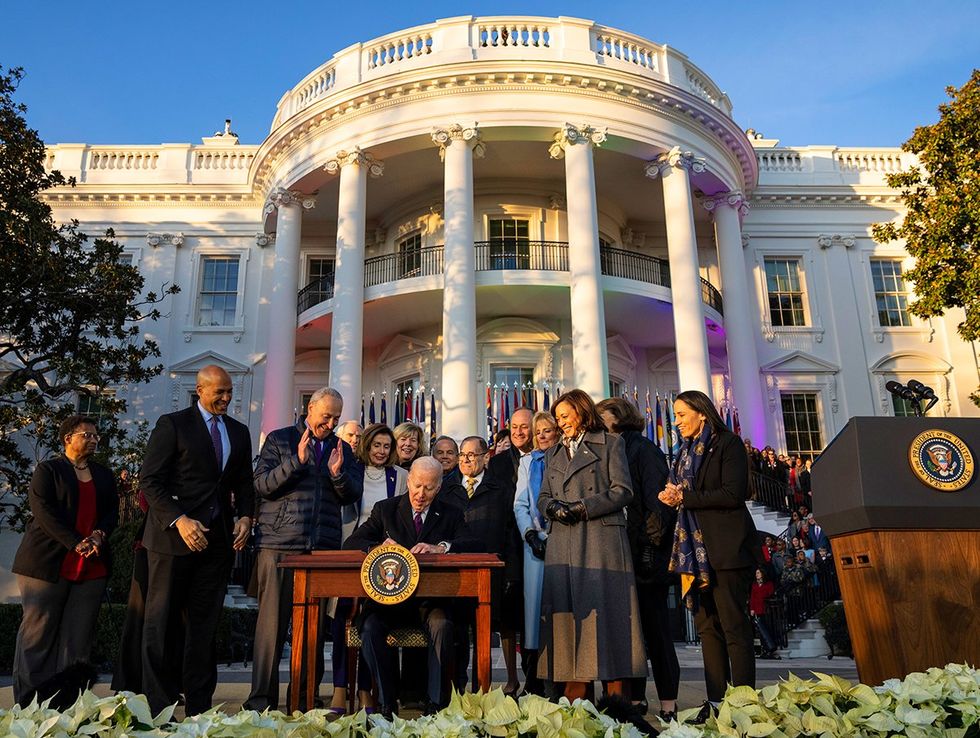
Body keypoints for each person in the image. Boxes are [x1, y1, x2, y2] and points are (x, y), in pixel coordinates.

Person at [139, 365, 254, 715]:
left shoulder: (239, 431)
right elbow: (149, 481)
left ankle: (199, 711)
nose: (226, 397)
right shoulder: (172, 424)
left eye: (230, 391)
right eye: (219, 391)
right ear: (200, 390)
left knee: (204, 629)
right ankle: (158, 709)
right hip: (172, 542)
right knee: (162, 625)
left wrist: (247, 516)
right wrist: (179, 520)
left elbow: (243, 484)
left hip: (216, 545)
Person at [244, 387, 363, 712]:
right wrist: (295, 462)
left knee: (312, 628)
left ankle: (305, 698)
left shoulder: (343, 449)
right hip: (279, 545)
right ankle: (260, 702)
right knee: (271, 626)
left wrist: (338, 474)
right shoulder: (280, 440)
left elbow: (352, 494)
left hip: (321, 549)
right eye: (326, 416)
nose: (331, 422)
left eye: (336, 418)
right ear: (309, 408)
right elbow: (261, 485)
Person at [343, 457, 479, 719]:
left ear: (438, 487)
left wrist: (442, 547)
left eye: (429, 488)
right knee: (369, 627)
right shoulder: (386, 510)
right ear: (409, 481)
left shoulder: (450, 513)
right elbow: (352, 543)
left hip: (430, 603)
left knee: (443, 625)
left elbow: (473, 543)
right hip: (389, 603)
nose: (421, 494)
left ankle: (436, 704)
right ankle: (385, 704)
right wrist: (377, 548)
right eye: (417, 486)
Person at [537, 389, 646, 702]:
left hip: (601, 541)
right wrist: (552, 508)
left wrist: (584, 507)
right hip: (565, 542)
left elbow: (623, 491)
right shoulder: (553, 452)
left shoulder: (612, 443)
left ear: (582, 412)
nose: (561, 423)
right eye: (558, 418)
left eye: (565, 416)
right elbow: (544, 496)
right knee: (571, 621)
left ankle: (617, 702)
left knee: (610, 619)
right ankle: (576, 702)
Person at [658, 389, 758, 723]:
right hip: (694, 556)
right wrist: (671, 495)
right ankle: (716, 703)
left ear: (702, 413)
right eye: (674, 415)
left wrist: (685, 497)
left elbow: (733, 493)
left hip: (727, 550)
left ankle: (744, 706)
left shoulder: (727, 444)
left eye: (681, 414)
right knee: (707, 631)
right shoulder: (683, 452)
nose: (676, 421)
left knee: (734, 629)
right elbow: (684, 492)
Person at [11, 415, 119, 706]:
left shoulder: (104, 475)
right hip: (47, 563)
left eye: (96, 435)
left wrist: (99, 536)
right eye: (87, 434)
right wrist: (75, 542)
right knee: (38, 635)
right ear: (67, 438)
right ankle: (29, 705)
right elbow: (43, 511)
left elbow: (112, 513)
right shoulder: (49, 470)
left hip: (92, 565)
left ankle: (69, 705)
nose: (94, 439)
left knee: (78, 640)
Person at [597, 397, 679, 721]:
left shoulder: (643, 449)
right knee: (629, 633)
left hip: (646, 557)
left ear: (618, 417)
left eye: (600, 416)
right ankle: (635, 699)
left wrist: (649, 547)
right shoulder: (609, 449)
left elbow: (657, 502)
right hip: (621, 554)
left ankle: (669, 702)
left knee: (656, 630)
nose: (596, 422)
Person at [330, 422, 407, 713]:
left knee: (367, 625)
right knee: (341, 621)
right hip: (350, 553)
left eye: (387, 446)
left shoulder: (401, 476)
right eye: (377, 445)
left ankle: (365, 691)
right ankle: (339, 689)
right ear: (366, 446)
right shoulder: (353, 472)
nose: (382, 451)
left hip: (383, 560)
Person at [443, 435, 520, 694]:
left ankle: (482, 688)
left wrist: (510, 571)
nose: (465, 460)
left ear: (486, 457)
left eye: (471, 455)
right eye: (462, 455)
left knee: (484, 633)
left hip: (490, 572)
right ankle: (456, 688)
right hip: (455, 571)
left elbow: (511, 533)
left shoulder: (501, 489)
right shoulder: (447, 487)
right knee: (456, 633)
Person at [484, 407, 533, 696]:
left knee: (533, 615)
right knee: (509, 617)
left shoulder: (544, 457)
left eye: (524, 427)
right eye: (513, 426)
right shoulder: (498, 463)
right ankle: (512, 679)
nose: (517, 432)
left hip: (537, 545)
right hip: (508, 545)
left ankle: (535, 678)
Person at [513, 411, 558, 696]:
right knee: (533, 614)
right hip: (535, 545)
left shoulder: (566, 459)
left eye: (547, 430)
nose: (541, 436)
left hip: (565, 541)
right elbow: (520, 504)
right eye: (537, 431)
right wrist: (529, 533)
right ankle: (534, 679)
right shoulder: (527, 462)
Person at [749, 568, 779, 659]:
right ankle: (764, 649)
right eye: (756, 573)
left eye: (758, 573)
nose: (757, 574)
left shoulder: (768, 584)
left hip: (766, 609)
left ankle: (770, 648)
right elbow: (752, 597)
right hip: (757, 609)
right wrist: (752, 609)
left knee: (767, 629)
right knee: (761, 630)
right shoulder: (754, 585)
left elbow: (771, 593)